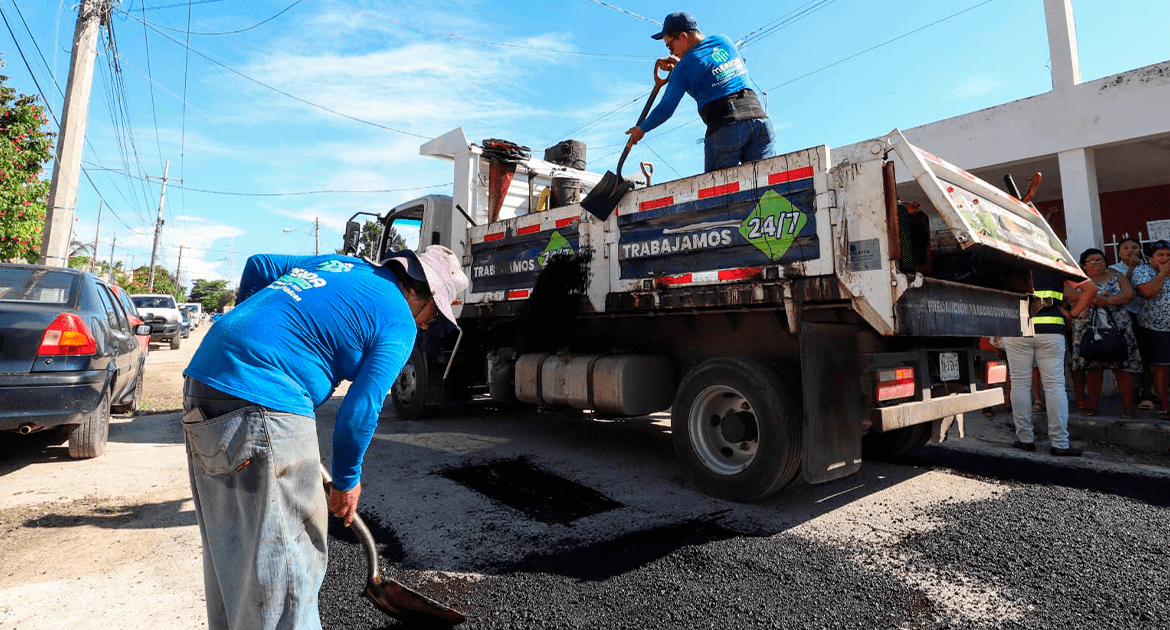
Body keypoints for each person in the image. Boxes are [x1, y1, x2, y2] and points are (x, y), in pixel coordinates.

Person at [181, 245, 468, 630]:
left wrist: (252, 329)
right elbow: (360, 410)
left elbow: (260, 264)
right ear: (423, 294)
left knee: (233, 552)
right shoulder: (399, 320)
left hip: (204, 379)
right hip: (268, 394)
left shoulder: (341, 265)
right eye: (434, 315)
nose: (428, 325)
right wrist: (347, 483)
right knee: (287, 571)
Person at [625, 11, 776, 173]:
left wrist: (642, 129)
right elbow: (708, 64)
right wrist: (680, 65)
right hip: (760, 122)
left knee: (720, 187)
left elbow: (666, 108)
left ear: (683, 37)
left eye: (670, 46)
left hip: (726, 127)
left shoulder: (683, 69)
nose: (671, 53)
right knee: (766, 183)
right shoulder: (723, 40)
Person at [1001, 270, 1095, 456]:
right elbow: (1090, 288)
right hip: (1051, 330)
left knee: (1019, 384)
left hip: (1016, 328)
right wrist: (1072, 313)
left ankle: (1025, 439)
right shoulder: (1055, 261)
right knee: (1055, 386)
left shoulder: (1010, 261)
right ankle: (1060, 443)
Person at [1070, 248, 1141, 417]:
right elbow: (1070, 295)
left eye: (1100, 259)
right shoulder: (1077, 278)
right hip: (1088, 328)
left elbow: (1129, 294)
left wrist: (1107, 301)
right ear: (1083, 265)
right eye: (1092, 260)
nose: (1097, 263)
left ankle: (1128, 408)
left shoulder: (1116, 275)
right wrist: (1091, 299)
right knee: (1093, 368)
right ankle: (1093, 406)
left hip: (1117, 327)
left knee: (1121, 368)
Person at [1111, 237, 1155, 409]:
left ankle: (1147, 392)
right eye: (1126, 248)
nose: (1130, 251)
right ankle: (1132, 392)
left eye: (1134, 247)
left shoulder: (1148, 267)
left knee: (1146, 357)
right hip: (1124, 317)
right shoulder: (1114, 269)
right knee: (1127, 357)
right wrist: (1131, 268)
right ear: (1120, 252)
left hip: (1145, 316)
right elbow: (1125, 291)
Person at [1132, 239, 1170, 420]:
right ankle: (1164, 406)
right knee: (1162, 366)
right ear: (1149, 257)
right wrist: (1163, 274)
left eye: (1168, 255)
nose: (1165, 258)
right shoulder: (1142, 271)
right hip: (1156, 327)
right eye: (1160, 255)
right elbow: (1147, 292)